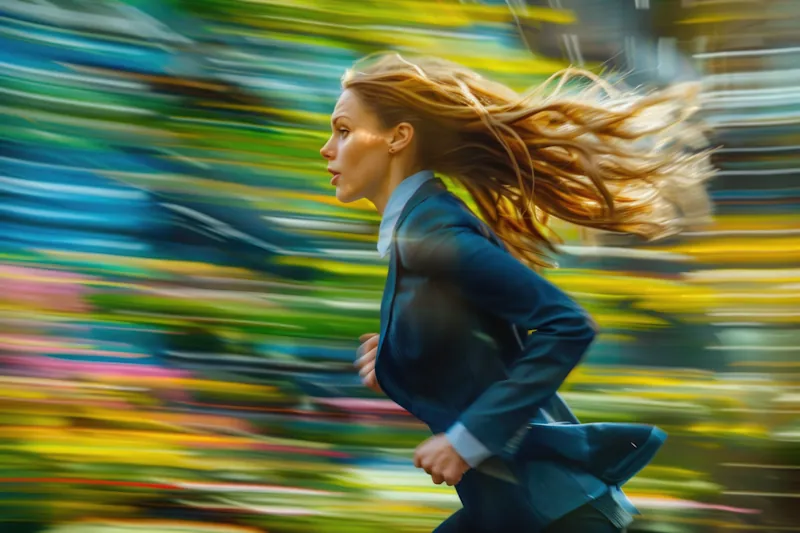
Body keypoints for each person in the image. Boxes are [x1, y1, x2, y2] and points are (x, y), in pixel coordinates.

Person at [320, 52, 714, 533]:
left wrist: (466, 441)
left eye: (343, 130)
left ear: (398, 137)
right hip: (510, 510)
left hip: (552, 513)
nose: (327, 148)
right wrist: (395, 361)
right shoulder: (418, 231)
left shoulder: (432, 234)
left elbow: (566, 325)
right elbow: (480, 357)